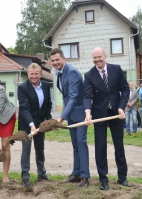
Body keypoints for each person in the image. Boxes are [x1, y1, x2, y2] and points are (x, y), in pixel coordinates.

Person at [83, 47, 131, 190]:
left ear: (105, 56)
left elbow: (125, 90)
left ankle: (122, 177)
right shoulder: (89, 75)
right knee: (100, 147)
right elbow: (87, 95)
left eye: (99, 57)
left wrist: (122, 107)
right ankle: (103, 179)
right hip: (100, 116)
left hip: (117, 114)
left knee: (119, 146)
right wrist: (87, 113)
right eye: (94, 58)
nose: (97, 60)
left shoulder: (116, 69)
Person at [50, 48, 90, 188]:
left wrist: (61, 118)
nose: (55, 62)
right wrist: (66, 115)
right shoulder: (58, 73)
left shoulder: (71, 72)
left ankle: (85, 176)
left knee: (81, 142)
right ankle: (76, 173)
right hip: (71, 114)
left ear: (63, 58)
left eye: (57, 60)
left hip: (79, 113)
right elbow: (66, 96)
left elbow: (73, 98)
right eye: (53, 60)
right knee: (75, 144)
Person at [18, 63, 52, 188]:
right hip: (27, 124)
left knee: (40, 149)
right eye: (31, 74)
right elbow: (25, 109)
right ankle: (25, 176)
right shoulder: (22, 88)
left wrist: (49, 121)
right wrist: (31, 125)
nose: (34, 76)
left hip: (40, 123)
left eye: (36, 74)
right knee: (26, 149)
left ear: (40, 74)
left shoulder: (47, 86)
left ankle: (41, 174)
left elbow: (48, 104)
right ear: (28, 74)